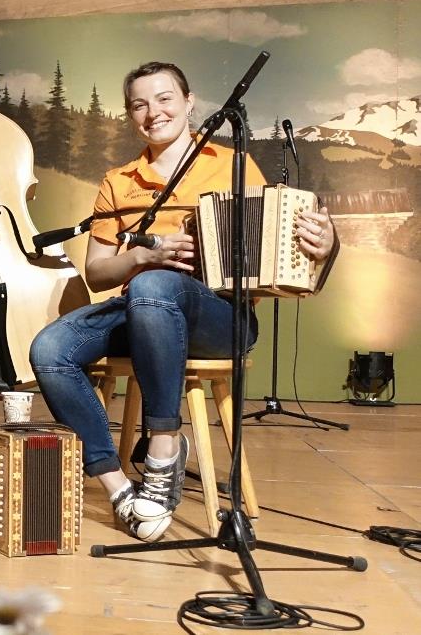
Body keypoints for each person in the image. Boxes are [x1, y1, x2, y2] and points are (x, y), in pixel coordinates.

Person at [29, 61, 337, 542]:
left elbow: (280, 238)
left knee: (156, 288)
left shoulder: (230, 163)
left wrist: (324, 240)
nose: (153, 112)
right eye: (139, 104)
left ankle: (163, 450)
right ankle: (118, 488)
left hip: (220, 317)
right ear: (131, 115)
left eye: (165, 98)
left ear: (190, 102)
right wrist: (141, 255)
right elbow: (97, 271)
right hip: (139, 313)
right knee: (50, 349)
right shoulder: (119, 181)